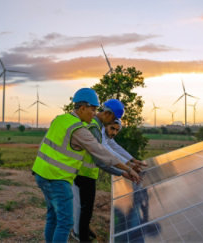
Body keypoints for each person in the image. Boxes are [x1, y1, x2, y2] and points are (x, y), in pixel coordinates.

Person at [32, 88, 140, 243]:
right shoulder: (79, 129)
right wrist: (127, 169)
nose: (95, 113)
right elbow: (101, 153)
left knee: (53, 217)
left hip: (40, 173)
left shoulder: (59, 119)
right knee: (65, 223)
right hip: (56, 178)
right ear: (82, 108)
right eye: (93, 109)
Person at [71, 99, 145, 242]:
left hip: (87, 172)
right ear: (107, 114)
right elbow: (103, 155)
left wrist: (130, 161)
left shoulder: (98, 127)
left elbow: (112, 147)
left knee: (84, 208)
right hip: (83, 173)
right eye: (113, 120)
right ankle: (81, 235)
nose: (113, 125)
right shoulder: (95, 128)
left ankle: (82, 230)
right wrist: (127, 168)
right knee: (83, 208)